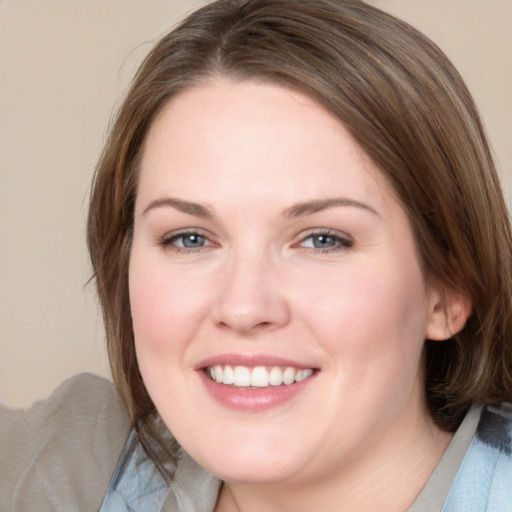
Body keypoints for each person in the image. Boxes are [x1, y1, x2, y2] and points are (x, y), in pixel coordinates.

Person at [2, 0, 512, 510]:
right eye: (190, 238)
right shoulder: (62, 469)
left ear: (448, 288)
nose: (244, 308)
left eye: (322, 239)